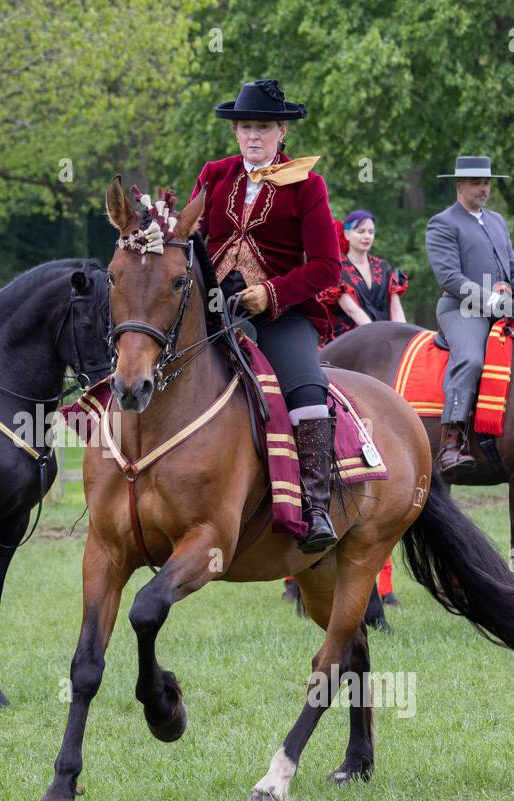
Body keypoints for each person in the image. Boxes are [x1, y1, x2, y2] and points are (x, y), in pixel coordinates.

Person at [191, 79, 342, 553]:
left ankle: (315, 507)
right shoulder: (214, 175)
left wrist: (270, 294)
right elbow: (192, 240)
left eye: (264, 127)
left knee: (307, 391)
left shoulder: (307, 183)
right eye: (245, 127)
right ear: (235, 132)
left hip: (281, 316)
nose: (253, 136)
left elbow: (326, 266)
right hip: (213, 313)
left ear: (282, 132)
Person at [425, 155, 514, 478]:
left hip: (503, 307)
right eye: (476, 182)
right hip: (461, 309)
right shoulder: (443, 222)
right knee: (471, 358)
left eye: (486, 182)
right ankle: (450, 443)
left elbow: (513, 267)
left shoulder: (498, 221)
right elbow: (449, 278)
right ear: (459, 185)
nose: (483, 188)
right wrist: (492, 300)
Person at [320, 209, 408, 338]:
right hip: (351, 341)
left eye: (371, 232)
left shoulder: (383, 267)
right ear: (347, 234)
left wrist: (403, 336)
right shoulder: (337, 269)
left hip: (385, 339)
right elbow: (352, 310)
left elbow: (396, 308)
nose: (367, 236)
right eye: (361, 231)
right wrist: (377, 336)